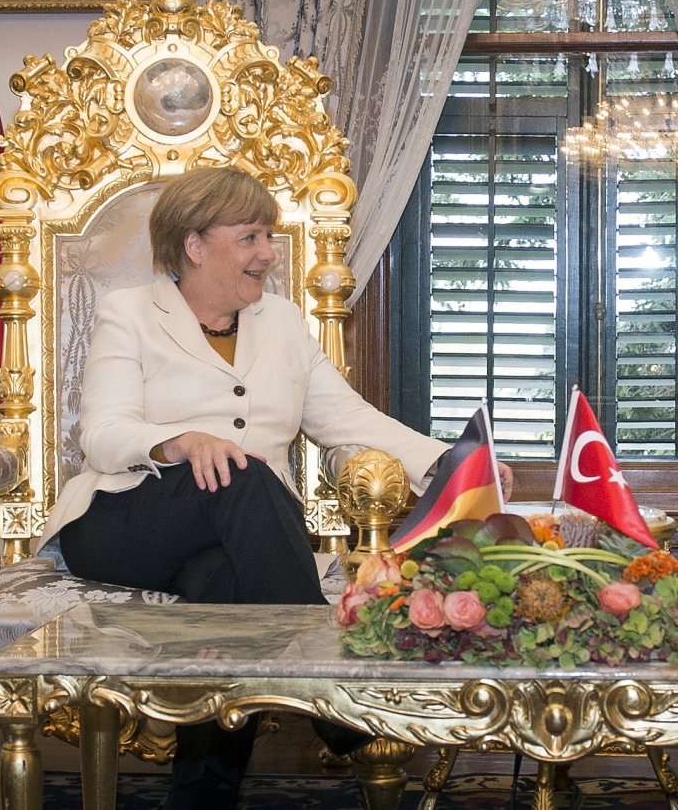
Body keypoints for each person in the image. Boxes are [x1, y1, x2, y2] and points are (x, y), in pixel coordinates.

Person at [36, 166, 450, 810]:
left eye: (268, 237)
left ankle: (200, 797)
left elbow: (347, 418)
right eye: (250, 237)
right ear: (195, 245)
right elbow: (103, 433)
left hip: (239, 534)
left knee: (222, 588)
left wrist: (450, 461)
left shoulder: (282, 323)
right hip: (126, 521)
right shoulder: (130, 316)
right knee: (246, 471)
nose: (266, 253)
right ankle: (330, 689)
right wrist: (179, 441)